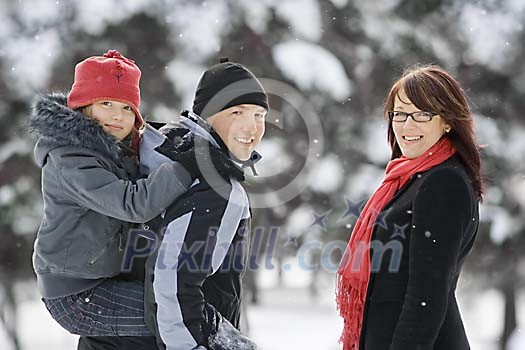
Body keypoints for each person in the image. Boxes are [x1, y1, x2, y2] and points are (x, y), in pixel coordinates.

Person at [29, 50, 201, 346]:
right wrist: (187, 165)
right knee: (174, 316)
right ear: (83, 107)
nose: (117, 116)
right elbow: (133, 204)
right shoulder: (71, 157)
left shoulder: (113, 150)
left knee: (177, 306)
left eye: (126, 108)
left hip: (104, 276)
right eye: (106, 103)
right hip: (75, 293)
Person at [336, 65, 484, 350]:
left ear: (447, 122)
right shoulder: (409, 179)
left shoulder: (443, 182)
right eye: (400, 114)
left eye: (422, 114)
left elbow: (426, 296)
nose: (407, 125)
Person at [142, 58, 268, 350]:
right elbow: (173, 282)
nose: (252, 127)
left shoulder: (170, 156)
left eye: (260, 115)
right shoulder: (218, 187)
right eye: (237, 112)